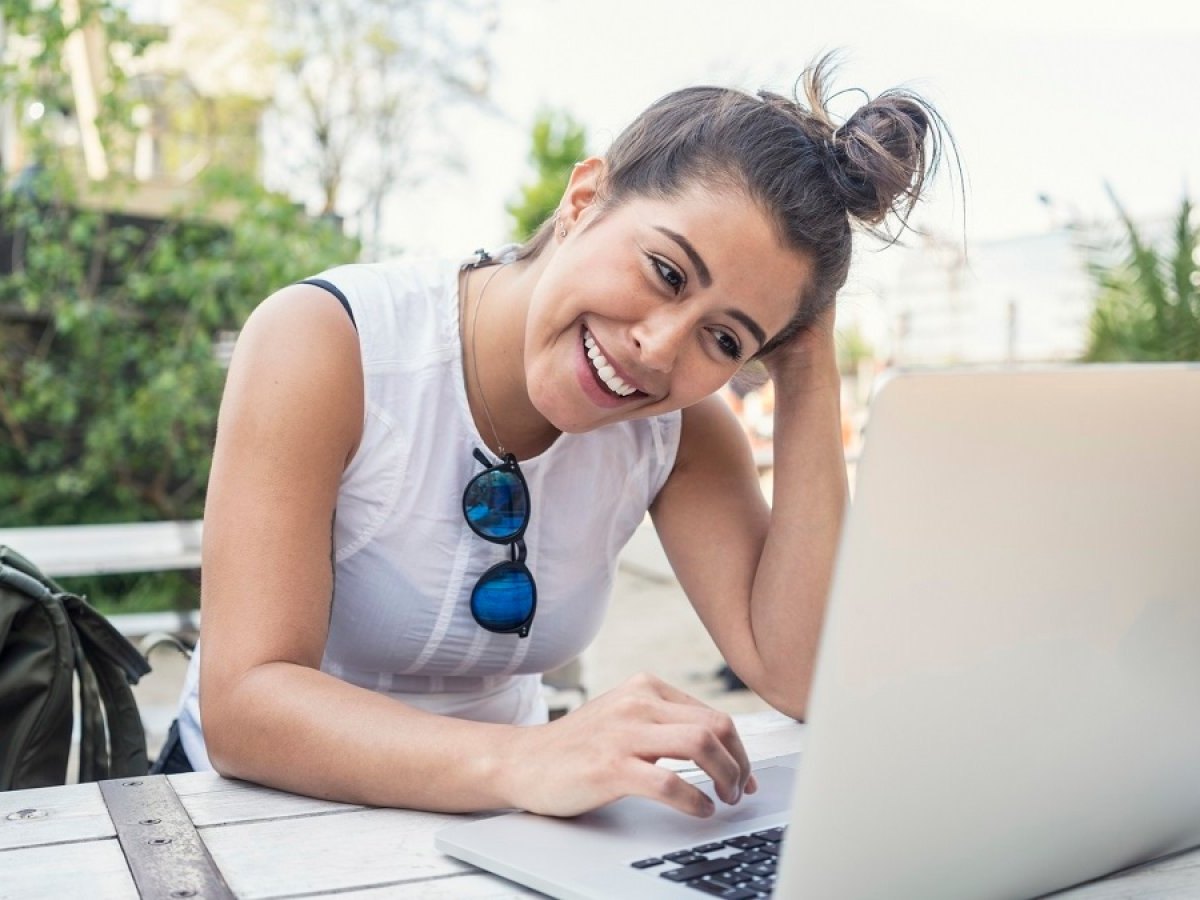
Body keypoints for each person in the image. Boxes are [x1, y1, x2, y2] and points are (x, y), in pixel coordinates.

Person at [160, 53, 947, 819]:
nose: (660, 347)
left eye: (727, 340)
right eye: (667, 273)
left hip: (496, 829)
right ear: (584, 197)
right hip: (249, 825)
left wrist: (808, 366)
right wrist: (530, 756)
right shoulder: (332, 343)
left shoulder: (679, 432)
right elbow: (244, 704)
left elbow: (800, 674)